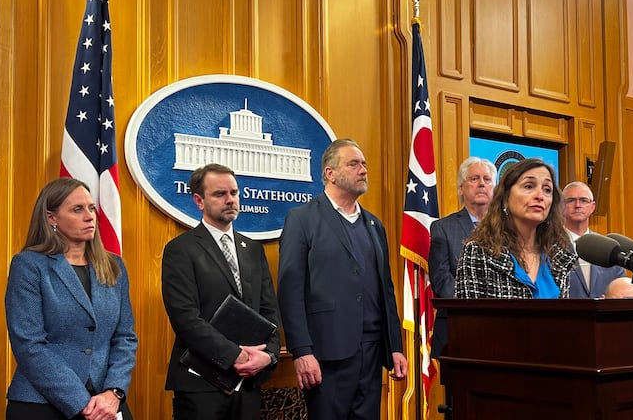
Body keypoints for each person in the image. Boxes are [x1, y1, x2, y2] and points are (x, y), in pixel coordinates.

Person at [277, 139, 408, 419]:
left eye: (364, 164)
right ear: (330, 173)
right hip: (327, 355)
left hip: (372, 353)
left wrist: (395, 346)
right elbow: (290, 291)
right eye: (354, 164)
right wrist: (301, 351)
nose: (363, 170)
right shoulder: (302, 219)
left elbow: (386, 290)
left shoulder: (375, 225)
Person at [5, 177, 137, 420]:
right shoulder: (29, 265)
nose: (89, 216)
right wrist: (82, 403)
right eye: (77, 209)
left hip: (106, 403)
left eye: (91, 208)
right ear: (51, 218)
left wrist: (114, 392)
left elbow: (125, 337)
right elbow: (29, 344)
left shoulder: (113, 266)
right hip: (41, 403)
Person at [162, 163, 281, 420]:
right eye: (220, 194)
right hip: (201, 385)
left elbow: (269, 311)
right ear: (199, 200)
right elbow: (185, 318)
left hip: (248, 383)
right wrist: (234, 355)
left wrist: (268, 356)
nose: (230, 200)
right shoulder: (180, 250)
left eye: (234, 193)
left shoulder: (252, 249)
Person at [455, 159, 577, 299]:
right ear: (506, 198)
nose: (540, 196)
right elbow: (469, 319)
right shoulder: (478, 251)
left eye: (547, 189)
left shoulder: (559, 256)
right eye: (529, 186)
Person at [429, 156, 496, 358]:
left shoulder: (510, 230)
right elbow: (442, 280)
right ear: (461, 188)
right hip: (458, 328)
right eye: (474, 178)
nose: (482, 184)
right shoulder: (442, 228)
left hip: (500, 329)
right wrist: (476, 311)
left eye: (487, 179)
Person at [562, 181, 625, 298]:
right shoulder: (548, 246)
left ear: (592, 207)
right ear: (561, 206)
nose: (577, 205)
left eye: (583, 200)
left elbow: (620, 287)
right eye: (571, 200)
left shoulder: (608, 248)